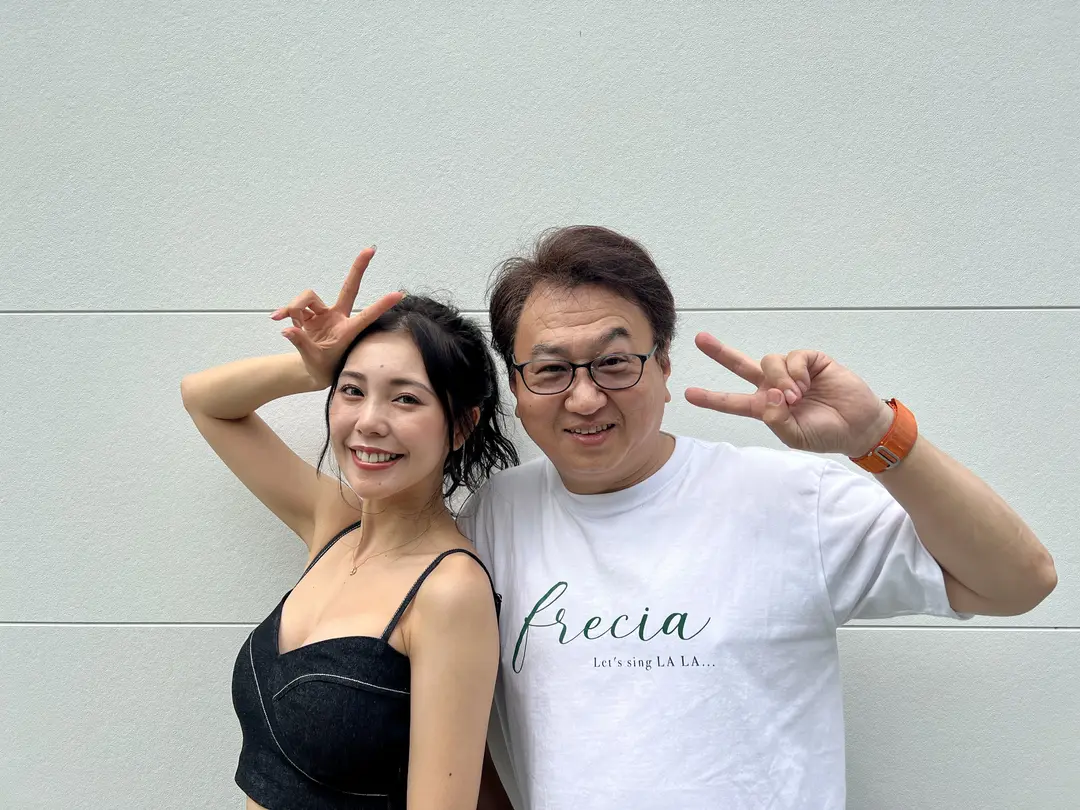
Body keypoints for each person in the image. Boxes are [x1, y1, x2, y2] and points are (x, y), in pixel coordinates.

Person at [463, 226, 1058, 810]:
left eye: (615, 362)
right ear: (516, 385)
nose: (585, 397)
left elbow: (1019, 582)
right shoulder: (496, 515)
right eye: (551, 370)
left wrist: (878, 435)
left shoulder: (791, 498)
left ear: (664, 365)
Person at [181, 247, 519, 810]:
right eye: (352, 390)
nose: (369, 422)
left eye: (405, 399)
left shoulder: (448, 591)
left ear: (461, 426)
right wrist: (312, 369)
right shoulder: (333, 522)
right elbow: (204, 400)